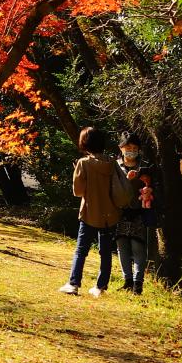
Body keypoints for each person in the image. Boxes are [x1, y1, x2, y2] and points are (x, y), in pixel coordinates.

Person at [61, 126, 124, 297]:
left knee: (81, 250)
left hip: (89, 213)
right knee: (105, 252)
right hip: (109, 214)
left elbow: (78, 191)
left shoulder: (83, 163)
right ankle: (100, 287)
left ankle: (73, 284)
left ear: (84, 143)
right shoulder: (111, 163)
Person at [114, 131, 156, 294]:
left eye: (134, 147)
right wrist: (127, 180)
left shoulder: (145, 166)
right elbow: (112, 188)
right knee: (122, 247)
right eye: (128, 147)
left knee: (138, 248)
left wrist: (149, 189)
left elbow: (155, 188)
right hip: (120, 212)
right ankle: (127, 281)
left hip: (139, 212)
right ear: (121, 148)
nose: (131, 150)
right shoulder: (115, 166)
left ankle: (138, 284)